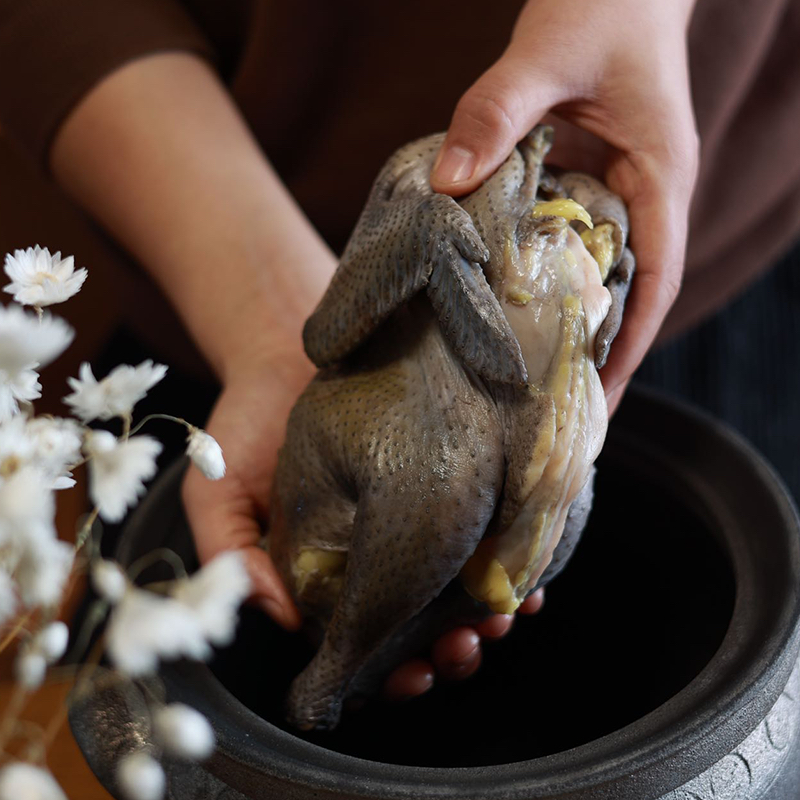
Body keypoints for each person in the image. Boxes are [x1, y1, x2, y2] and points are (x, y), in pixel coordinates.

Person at [1, 0, 798, 701]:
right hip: (202, 259)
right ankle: (337, 669)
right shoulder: (429, 217)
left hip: (709, 238)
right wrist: (255, 303)